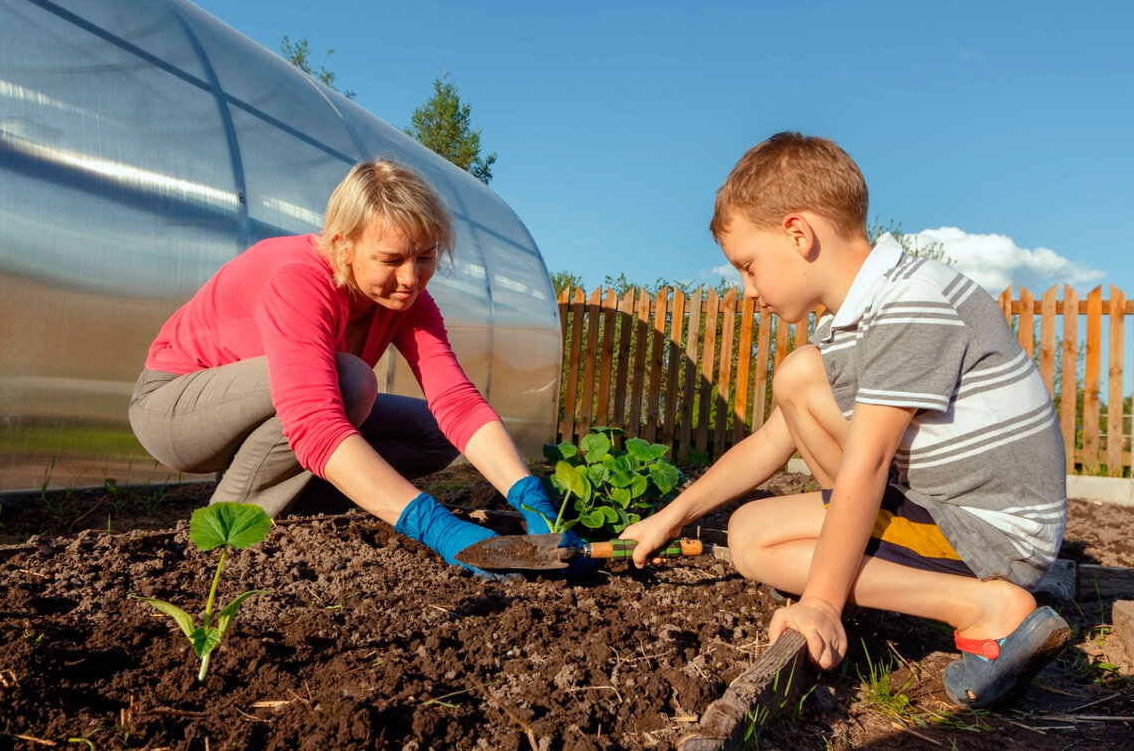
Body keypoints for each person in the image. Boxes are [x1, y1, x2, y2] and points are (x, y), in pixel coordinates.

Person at [620, 132, 1070, 709]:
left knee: (797, 382)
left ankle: (989, 609)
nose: (746, 289)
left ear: (798, 234)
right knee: (748, 533)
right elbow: (772, 441)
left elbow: (870, 460)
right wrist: (669, 518)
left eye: (749, 266)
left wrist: (823, 603)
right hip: (950, 511)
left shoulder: (911, 301)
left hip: (991, 532)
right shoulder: (852, 319)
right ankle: (896, 572)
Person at [129, 159, 576, 574]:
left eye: (425, 257)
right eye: (390, 259)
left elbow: (456, 402)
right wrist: (436, 526)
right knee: (349, 382)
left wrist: (529, 496)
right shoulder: (298, 277)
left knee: (434, 432)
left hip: (273, 412)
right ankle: (222, 534)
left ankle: (301, 503)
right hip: (176, 410)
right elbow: (315, 424)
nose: (410, 278)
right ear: (344, 245)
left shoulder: (408, 301)